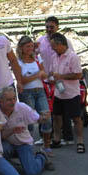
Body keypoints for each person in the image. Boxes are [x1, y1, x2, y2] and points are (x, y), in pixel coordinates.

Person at [0, 87, 55, 175]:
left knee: (32, 173)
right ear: (0, 101)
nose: (13, 102)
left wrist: (44, 118)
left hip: (23, 143)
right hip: (6, 143)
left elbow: (37, 118)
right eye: (9, 100)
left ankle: (41, 157)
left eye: (14, 98)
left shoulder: (22, 107)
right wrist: (12, 130)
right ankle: (11, 164)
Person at [37, 16, 75, 145]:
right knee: (45, 109)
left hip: (60, 80)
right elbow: (32, 54)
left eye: (51, 27)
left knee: (63, 110)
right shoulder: (40, 41)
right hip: (46, 80)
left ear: (57, 27)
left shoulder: (65, 41)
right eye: (47, 27)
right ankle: (46, 136)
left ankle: (67, 136)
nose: (48, 29)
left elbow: (71, 57)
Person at [16, 36, 53, 156]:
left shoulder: (37, 58)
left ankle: (46, 146)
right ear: (21, 48)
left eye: (31, 46)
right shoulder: (18, 62)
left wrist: (43, 75)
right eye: (27, 46)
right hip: (27, 92)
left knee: (46, 117)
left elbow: (43, 74)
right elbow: (21, 80)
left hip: (40, 90)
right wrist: (37, 75)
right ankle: (29, 147)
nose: (30, 48)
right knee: (29, 122)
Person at [49, 33, 85, 153]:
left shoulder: (73, 57)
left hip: (71, 93)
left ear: (60, 44)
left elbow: (78, 74)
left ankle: (80, 141)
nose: (51, 48)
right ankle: (57, 139)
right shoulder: (54, 56)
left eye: (53, 45)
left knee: (76, 118)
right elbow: (52, 72)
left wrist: (61, 76)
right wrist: (50, 78)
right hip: (58, 93)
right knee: (56, 117)